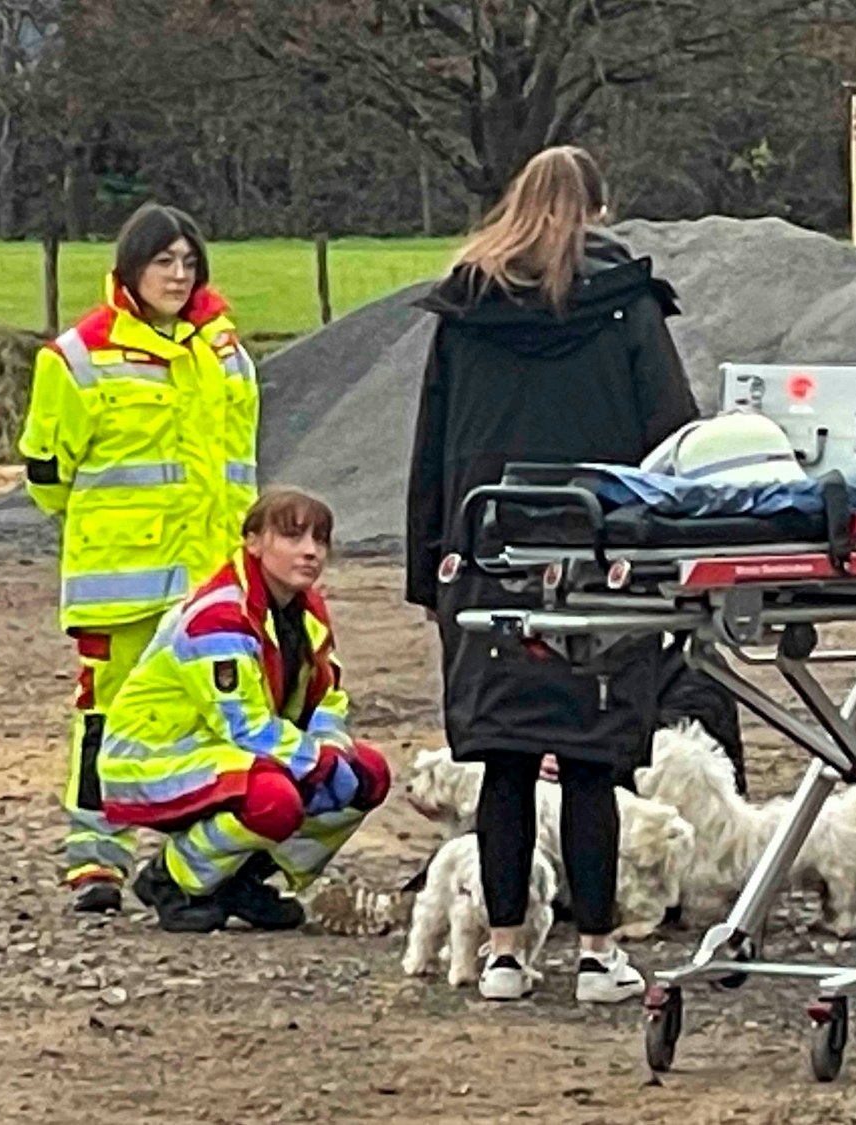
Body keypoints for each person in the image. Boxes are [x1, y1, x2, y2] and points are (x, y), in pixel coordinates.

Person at [406, 145, 699, 1002]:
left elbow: (431, 446)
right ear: (599, 211)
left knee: (503, 760)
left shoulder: (463, 312)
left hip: (487, 549)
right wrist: (671, 561)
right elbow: (671, 436)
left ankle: (503, 951)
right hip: (595, 557)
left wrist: (431, 567)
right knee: (588, 762)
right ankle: (600, 950)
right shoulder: (629, 307)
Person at [17, 203, 261, 913]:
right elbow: (45, 474)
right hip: (121, 582)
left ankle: (195, 861)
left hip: (213, 577)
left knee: (217, 719)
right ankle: (96, 860)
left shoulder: (225, 351)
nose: (179, 276)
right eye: (165, 262)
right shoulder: (79, 354)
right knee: (108, 721)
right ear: (131, 267)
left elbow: (239, 461)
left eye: (189, 263)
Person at [97, 488, 390, 932]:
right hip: (152, 759)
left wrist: (332, 745)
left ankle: (238, 880)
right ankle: (172, 879)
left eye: (320, 539)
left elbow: (327, 696)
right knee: (272, 797)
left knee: (368, 774)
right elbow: (244, 727)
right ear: (252, 541)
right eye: (292, 537)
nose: (311, 551)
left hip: (222, 753)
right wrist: (320, 761)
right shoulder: (219, 616)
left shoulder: (304, 611)